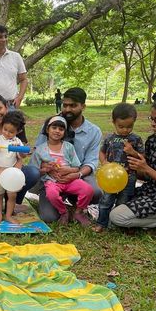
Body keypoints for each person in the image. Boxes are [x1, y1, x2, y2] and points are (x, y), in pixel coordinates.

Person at [30, 87, 102, 223]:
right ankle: (63, 206)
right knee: (49, 217)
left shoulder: (94, 131)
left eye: (73, 105)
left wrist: (76, 174)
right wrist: (48, 169)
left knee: (96, 192)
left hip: (78, 175)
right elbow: (38, 151)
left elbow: (91, 162)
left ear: (83, 106)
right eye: (65, 105)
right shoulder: (52, 124)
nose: (67, 109)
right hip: (52, 177)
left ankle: (77, 207)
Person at [110, 99, 156, 236]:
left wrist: (146, 168)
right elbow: (146, 176)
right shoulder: (153, 141)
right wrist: (130, 167)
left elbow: (151, 172)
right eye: (151, 118)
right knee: (115, 201)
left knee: (117, 216)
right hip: (151, 191)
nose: (152, 123)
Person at [0, 94, 39, 224]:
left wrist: (16, 170)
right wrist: (1, 170)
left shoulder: (16, 127)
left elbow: (21, 156)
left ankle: (12, 205)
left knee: (33, 172)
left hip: (11, 172)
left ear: (6, 107)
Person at [33, 116, 94, 225]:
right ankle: (63, 212)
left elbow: (76, 167)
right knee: (51, 194)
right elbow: (36, 170)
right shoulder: (40, 150)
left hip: (70, 180)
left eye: (61, 129)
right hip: (52, 181)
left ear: (64, 132)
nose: (57, 131)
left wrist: (68, 170)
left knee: (88, 189)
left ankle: (79, 211)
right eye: (54, 128)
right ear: (47, 130)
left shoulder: (69, 147)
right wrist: (46, 169)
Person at [94, 103, 144, 233]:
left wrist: (133, 152)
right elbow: (102, 152)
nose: (125, 130)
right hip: (110, 178)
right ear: (114, 122)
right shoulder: (109, 138)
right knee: (106, 201)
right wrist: (104, 161)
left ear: (134, 122)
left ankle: (121, 224)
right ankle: (101, 223)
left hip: (129, 177)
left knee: (124, 201)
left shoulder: (136, 139)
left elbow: (143, 157)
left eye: (129, 126)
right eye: (121, 126)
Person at [0, 111, 26, 225]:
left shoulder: (17, 142)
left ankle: (8, 215)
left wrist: (20, 150)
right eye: (5, 129)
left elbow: (22, 156)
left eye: (11, 132)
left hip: (11, 175)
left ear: (18, 131)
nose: (7, 133)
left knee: (12, 195)